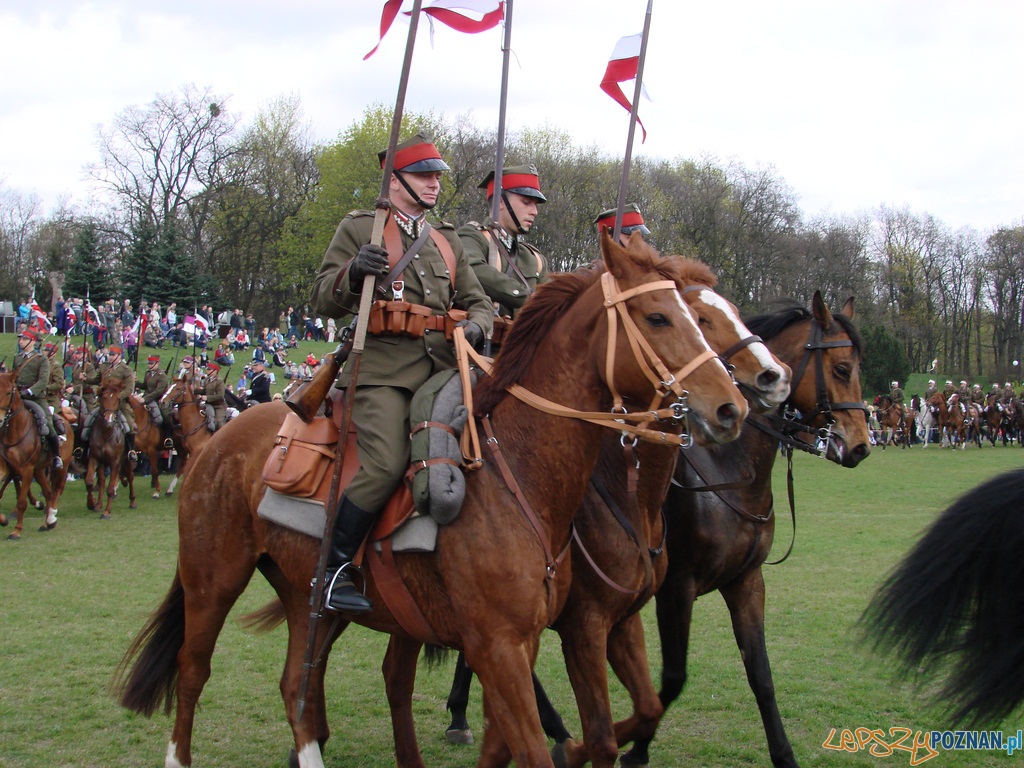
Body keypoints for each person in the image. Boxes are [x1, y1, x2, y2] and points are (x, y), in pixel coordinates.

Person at [310, 130, 493, 615]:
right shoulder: (361, 228)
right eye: (422, 175)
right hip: (382, 373)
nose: (433, 184)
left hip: (441, 371)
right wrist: (352, 272)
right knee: (387, 464)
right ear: (395, 180)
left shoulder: (446, 239)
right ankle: (333, 570)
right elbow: (322, 297)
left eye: (436, 176)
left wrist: (476, 326)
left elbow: (477, 302)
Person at [457, 163, 548, 320]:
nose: (534, 211)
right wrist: (529, 298)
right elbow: (472, 269)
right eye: (526, 202)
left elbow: (553, 298)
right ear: (500, 201)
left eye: (535, 204)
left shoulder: (533, 258)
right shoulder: (472, 237)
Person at [15, 329, 62, 469]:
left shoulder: (41, 359)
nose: (20, 341)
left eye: (23, 339)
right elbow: (14, 377)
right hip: (18, 395)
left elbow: (43, 381)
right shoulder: (18, 358)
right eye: (20, 339)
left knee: (47, 421)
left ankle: (56, 455)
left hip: (35, 397)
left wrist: (29, 392)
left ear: (32, 341)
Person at [196, 362, 227, 429]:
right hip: (208, 404)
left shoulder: (219, 381)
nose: (207, 371)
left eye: (209, 369)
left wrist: (207, 397)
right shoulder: (207, 379)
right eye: (207, 369)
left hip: (218, 406)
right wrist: (195, 391)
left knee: (219, 422)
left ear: (215, 371)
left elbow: (220, 395)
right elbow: (206, 391)